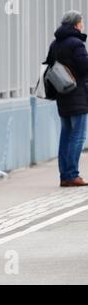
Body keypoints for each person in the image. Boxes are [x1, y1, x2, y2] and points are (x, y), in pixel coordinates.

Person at [44, 10, 88, 187]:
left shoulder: (55, 44)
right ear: (76, 24)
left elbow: (48, 65)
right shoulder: (76, 44)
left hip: (62, 94)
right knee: (78, 136)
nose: (83, 25)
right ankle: (72, 175)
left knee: (66, 135)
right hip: (78, 95)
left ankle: (64, 175)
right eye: (82, 22)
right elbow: (84, 67)